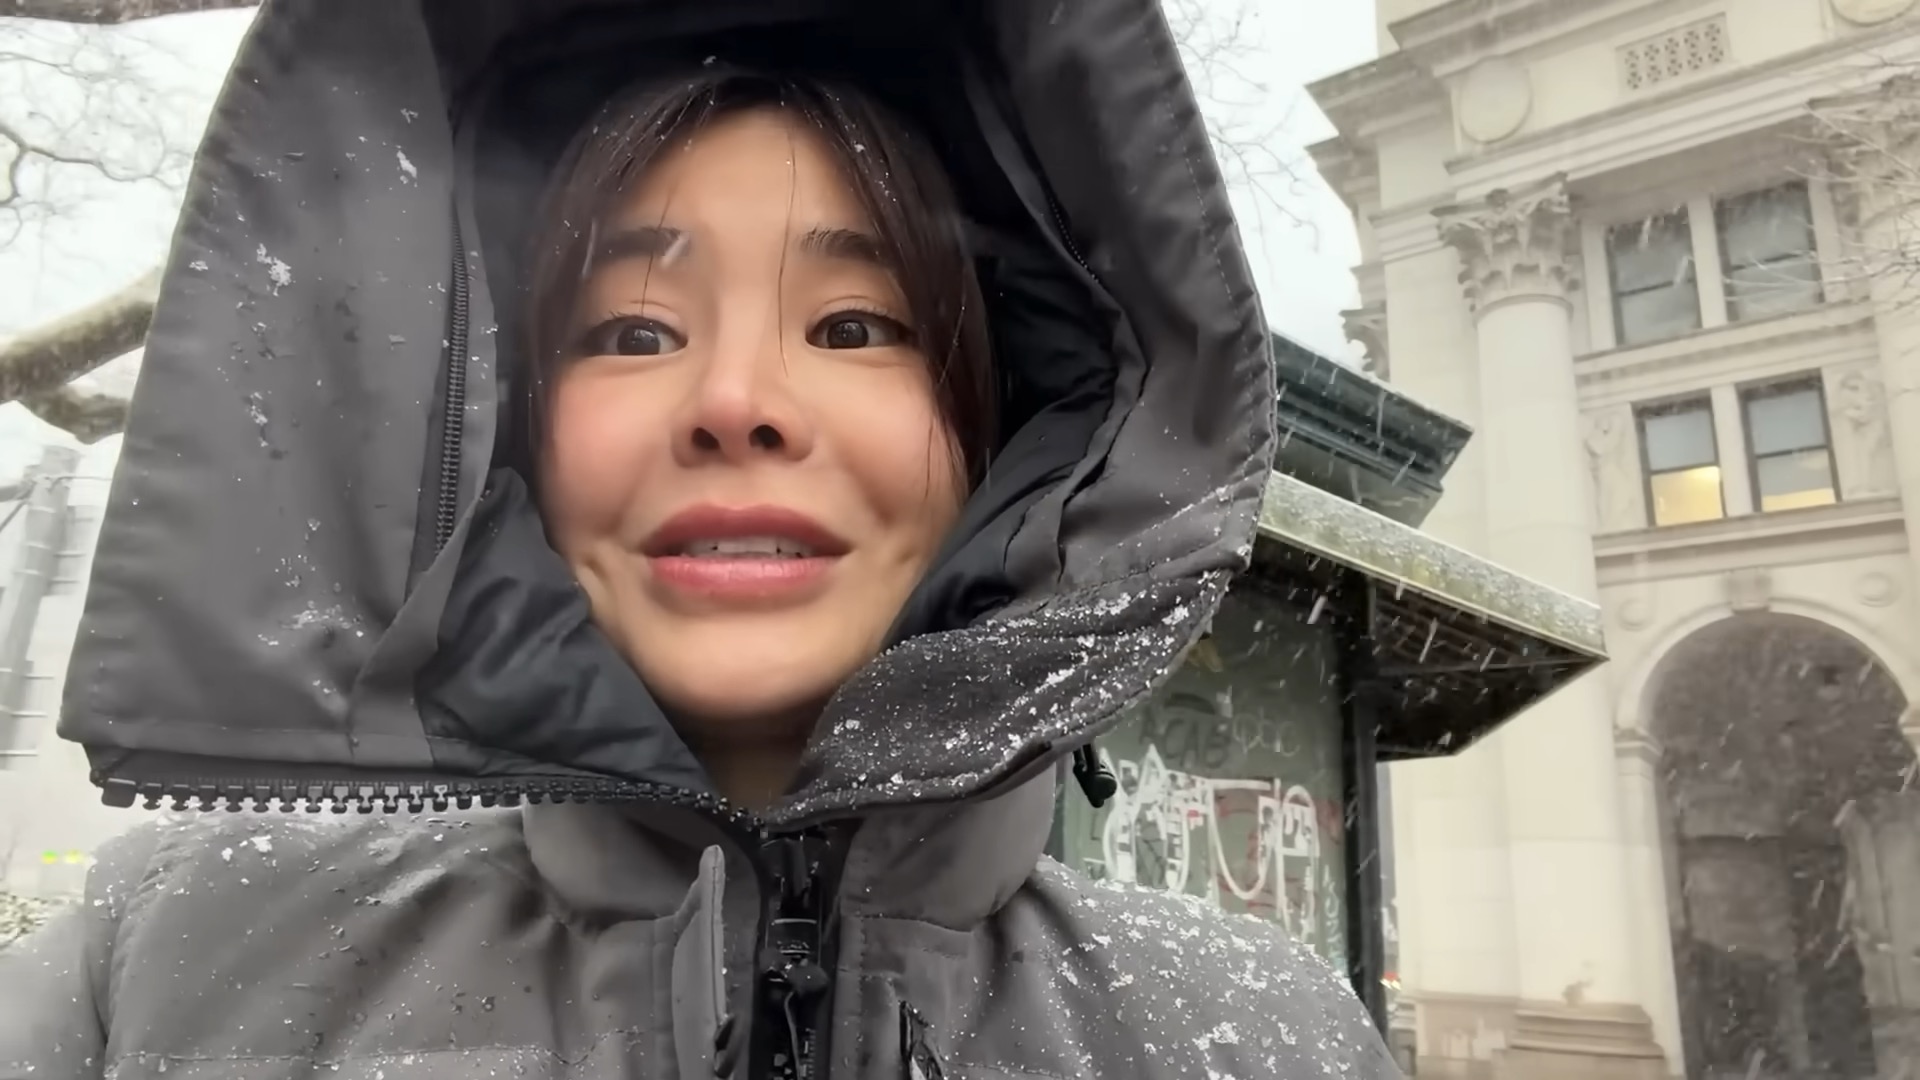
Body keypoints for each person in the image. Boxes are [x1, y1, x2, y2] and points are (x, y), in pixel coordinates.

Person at [1, 3, 1399, 1079]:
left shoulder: (1266, 1038)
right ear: (514, 445)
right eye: (632, 332)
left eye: (853, 325)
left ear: (1008, 438)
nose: (736, 403)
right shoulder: (167, 973)